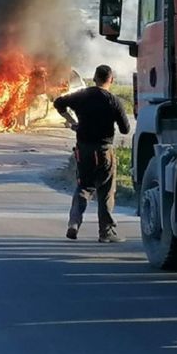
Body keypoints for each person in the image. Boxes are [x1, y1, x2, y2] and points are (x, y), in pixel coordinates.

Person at [54, 65, 131, 243]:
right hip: (104, 151)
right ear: (111, 80)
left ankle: (74, 223)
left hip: (83, 149)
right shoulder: (113, 100)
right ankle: (106, 232)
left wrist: (73, 122)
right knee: (105, 190)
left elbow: (58, 103)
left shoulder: (82, 95)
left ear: (94, 78)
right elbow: (125, 129)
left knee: (83, 186)